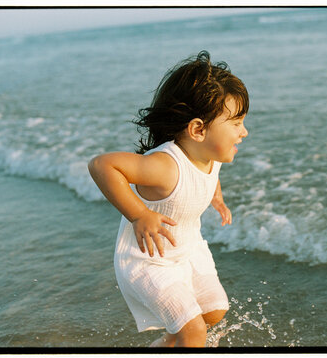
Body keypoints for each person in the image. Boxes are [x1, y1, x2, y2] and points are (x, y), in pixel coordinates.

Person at [88, 51, 249, 347]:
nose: (244, 132)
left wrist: (217, 198)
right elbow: (102, 165)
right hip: (147, 260)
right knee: (195, 332)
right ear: (198, 129)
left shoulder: (210, 157)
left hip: (187, 250)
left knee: (214, 311)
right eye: (237, 123)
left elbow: (208, 176)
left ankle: (165, 346)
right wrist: (139, 214)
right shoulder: (164, 167)